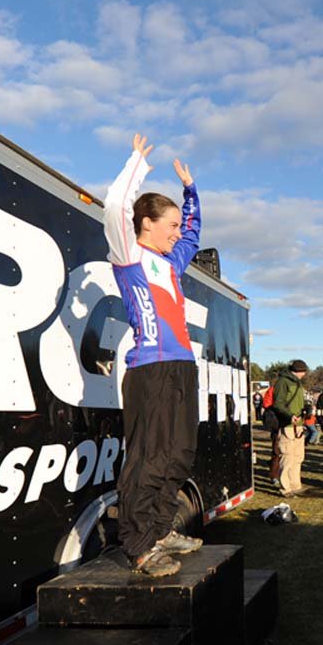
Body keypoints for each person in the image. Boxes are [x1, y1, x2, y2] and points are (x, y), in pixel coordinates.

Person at [105, 133, 204, 576]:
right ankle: (140, 544)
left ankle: (162, 528)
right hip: (151, 369)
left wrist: (190, 192)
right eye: (171, 224)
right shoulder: (129, 255)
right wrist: (137, 165)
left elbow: (195, 232)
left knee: (180, 453)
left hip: (183, 367)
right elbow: (115, 207)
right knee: (149, 457)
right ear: (147, 224)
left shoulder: (172, 262)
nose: (177, 232)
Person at [271, 360, 310, 497]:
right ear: (298, 371)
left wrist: (307, 409)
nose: (304, 374)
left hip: (299, 425)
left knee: (298, 457)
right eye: (303, 371)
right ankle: (285, 488)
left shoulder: (298, 383)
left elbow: (299, 402)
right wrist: (289, 416)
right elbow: (278, 404)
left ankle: (295, 485)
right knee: (287, 457)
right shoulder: (283, 382)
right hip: (287, 425)